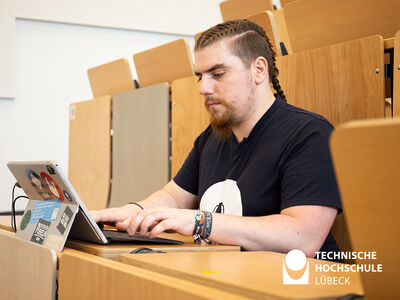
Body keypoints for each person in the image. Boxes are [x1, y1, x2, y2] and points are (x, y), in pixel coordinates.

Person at [91, 19, 342, 259]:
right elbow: (175, 197)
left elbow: (304, 238)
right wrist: (133, 211)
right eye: (201, 76)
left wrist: (201, 221)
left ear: (259, 70)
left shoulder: (309, 133)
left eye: (218, 74)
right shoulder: (212, 137)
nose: (203, 88)